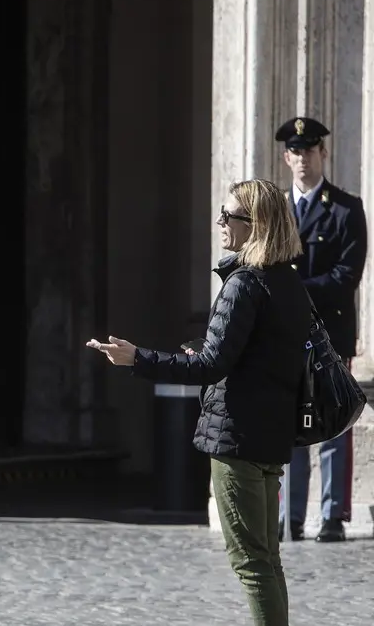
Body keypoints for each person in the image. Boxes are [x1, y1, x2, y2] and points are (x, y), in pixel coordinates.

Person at [87, 178, 310, 626]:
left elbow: (210, 367)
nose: (220, 222)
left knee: (251, 563)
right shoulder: (287, 283)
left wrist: (138, 358)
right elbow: (259, 356)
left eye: (228, 216)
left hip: (237, 442)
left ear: (255, 225)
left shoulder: (244, 283)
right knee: (267, 561)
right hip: (268, 439)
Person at [274, 116, 368, 543]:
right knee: (291, 422)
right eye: (294, 152)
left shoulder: (347, 209)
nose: (302, 160)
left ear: (322, 154)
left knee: (333, 421)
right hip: (286, 333)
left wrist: (293, 290)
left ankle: (333, 515)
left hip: (330, 333)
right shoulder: (276, 212)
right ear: (286, 157)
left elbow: (345, 276)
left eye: (309, 151)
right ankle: (290, 516)